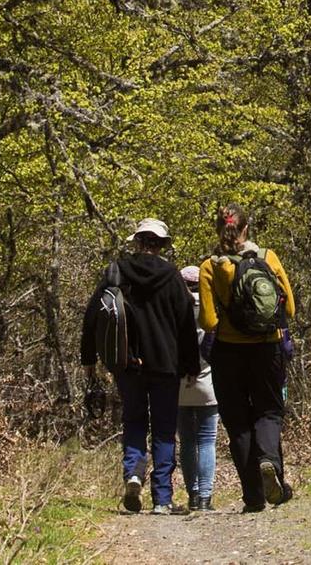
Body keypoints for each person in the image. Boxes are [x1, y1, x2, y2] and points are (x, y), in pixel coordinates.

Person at [81, 218, 199, 515]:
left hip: (127, 363)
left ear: (137, 242)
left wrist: (89, 360)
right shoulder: (172, 276)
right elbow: (186, 324)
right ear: (161, 245)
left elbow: (93, 316)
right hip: (165, 365)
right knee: (162, 430)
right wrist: (191, 364)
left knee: (133, 421)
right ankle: (162, 499)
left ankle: (133, 473)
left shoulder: (117, 271)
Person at [198, 204, 297, 512]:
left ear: (218, 230)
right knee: (269, 412)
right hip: (268, 348)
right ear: (246, 229)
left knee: (238, 424)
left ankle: (253, 497)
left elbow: (208, 321)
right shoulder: (268, 257)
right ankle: (269, 461)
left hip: (229, 353)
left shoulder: (210, 266)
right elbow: (289, 310)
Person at [175, 263, 220, 513]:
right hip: (208, 381)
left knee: (187, 441)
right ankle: (205, 497)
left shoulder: (174, 309)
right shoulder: (210, 309)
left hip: (180, 382)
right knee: (207, 441)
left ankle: (192, 494)